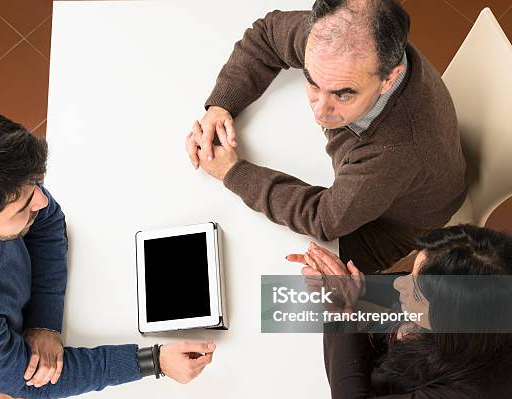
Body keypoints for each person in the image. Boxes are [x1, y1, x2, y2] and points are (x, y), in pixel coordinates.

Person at [0, 104, 216, 399]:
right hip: (18, 335)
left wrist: (45, 323)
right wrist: (154, 361)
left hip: (45, 302)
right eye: (24, 206)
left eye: (36, 184)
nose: (41, 200)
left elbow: (50, 219)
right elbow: (32, 380)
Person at [185, 0, 467, 273]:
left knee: (284, 293)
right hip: (377, 179)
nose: (320, 112)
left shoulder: (398, 150)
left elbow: (323, 220)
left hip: (388, 226)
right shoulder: (336, 38)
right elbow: (268, 35)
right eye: (312, 81)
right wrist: (221, 106)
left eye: (343, 93)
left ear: (389, 79)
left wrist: (232, 172)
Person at [287, 224, 512, 399]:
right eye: (413, 272)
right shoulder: (484, 300)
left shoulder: (476, 396)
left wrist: (340, 309)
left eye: (416, 291)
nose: (397, 283)